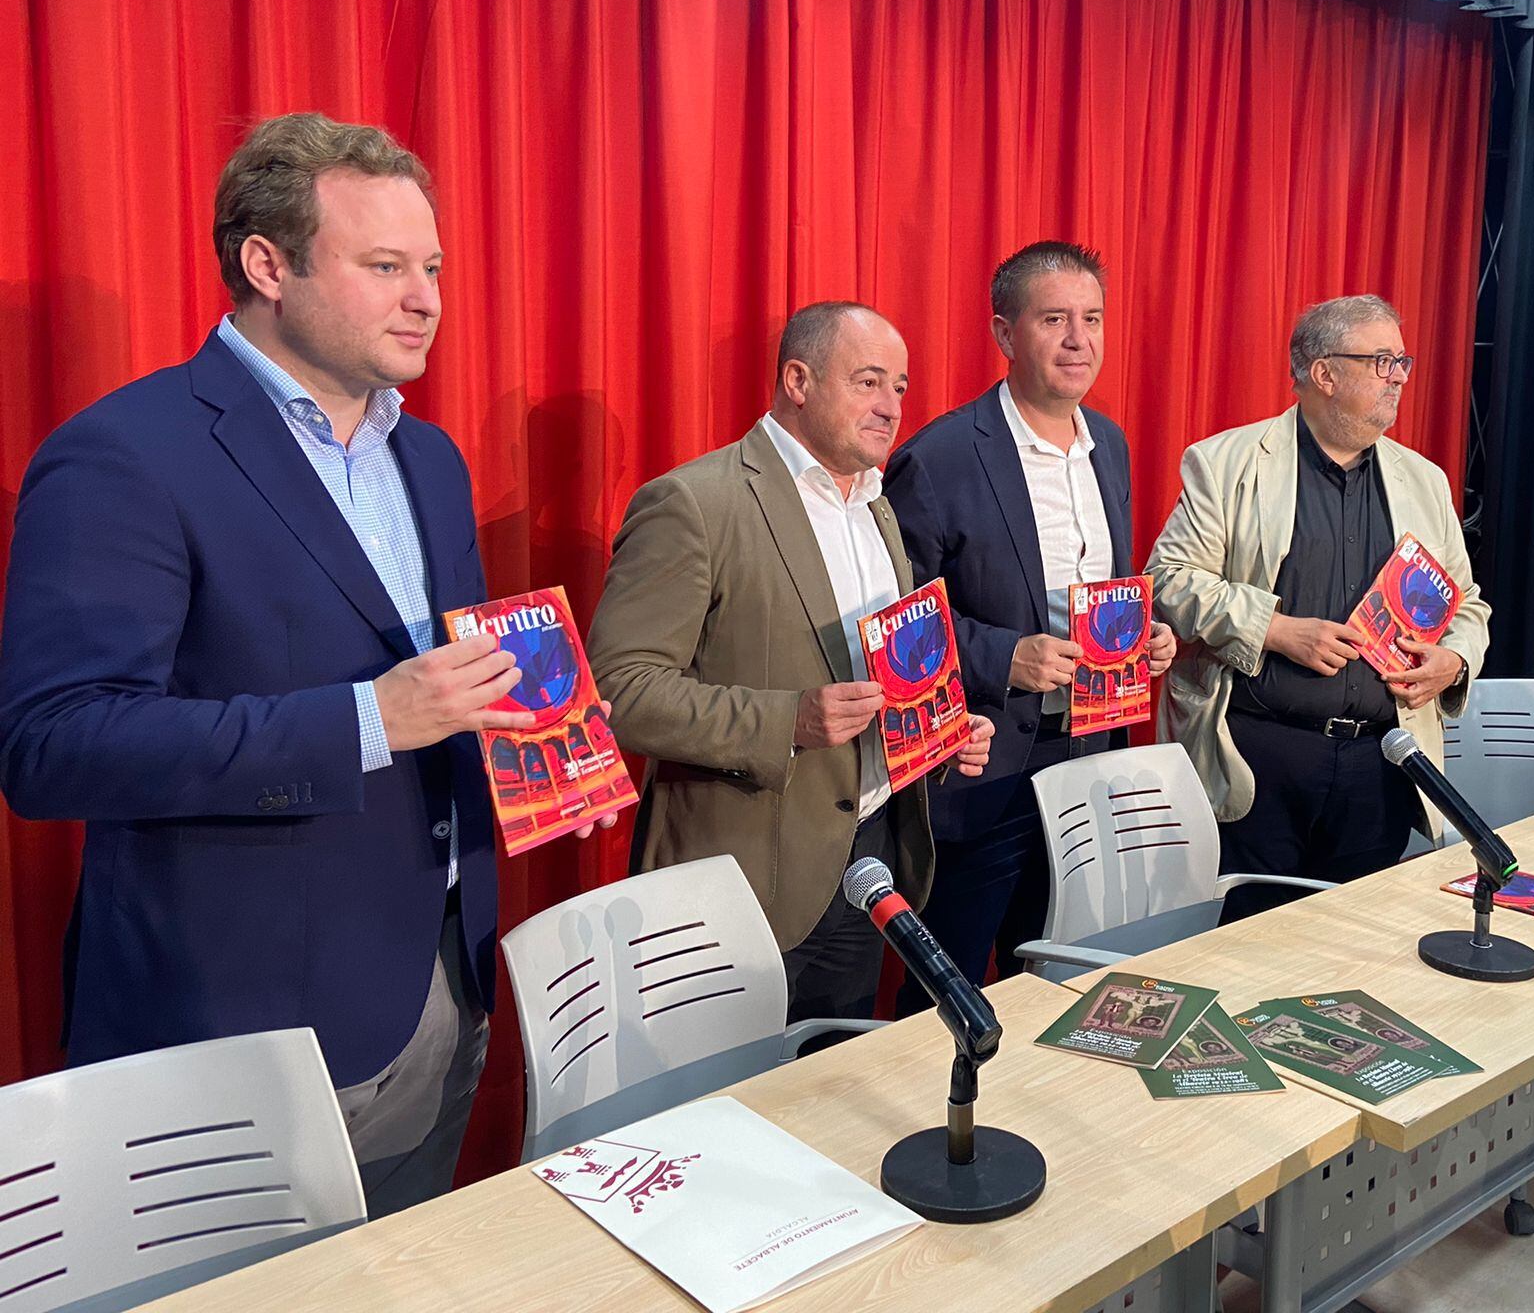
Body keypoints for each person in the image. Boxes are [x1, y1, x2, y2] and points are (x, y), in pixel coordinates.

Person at [0, 113, 585, 1215]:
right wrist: (367, 720)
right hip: (240, 1021)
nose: (428, 300)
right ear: (267, 265)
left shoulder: (431, 455)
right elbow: (55, 744)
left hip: (440, 981)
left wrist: (550, 756)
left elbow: (446, 684)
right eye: (384, 268)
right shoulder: (124, 453)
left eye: (433, 268)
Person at [587, 303, 994, 1022]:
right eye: (870, 382)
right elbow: (621, 690)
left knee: (827, 1098)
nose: (891, 407)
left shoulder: (877, 505)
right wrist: (789, 720)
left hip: (869, 863)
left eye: (900, 387)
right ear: (798, 380)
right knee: (726, 1115)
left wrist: (941, 727)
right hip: (741, 880)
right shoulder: (694, 502)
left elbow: (890, 674)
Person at [884, 243, 1174, 997]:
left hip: (1088, 753)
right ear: (1006, 335)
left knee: (1056, 977)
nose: (1080, 340)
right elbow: (894, 620)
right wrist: (1001, 655)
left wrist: (1146, 635)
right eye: (1055, 320)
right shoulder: (941, 455)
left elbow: (1108, 588)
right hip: (983, 763)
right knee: (945, 999)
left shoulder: (1108, 444)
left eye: (1093, 319)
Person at [1148, 295, 1491, 920]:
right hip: (1261, 758)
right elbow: (1168, 581)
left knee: (1351, 955)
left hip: (1381, 760)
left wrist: (1454, 660)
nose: (1399, 378)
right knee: (1247, 949)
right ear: (1325, 373)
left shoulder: (1426, 480)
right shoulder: (1225, 464)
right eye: (1382, 361)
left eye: (1402, 362)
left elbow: (1467, 603)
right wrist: (1274, 628)